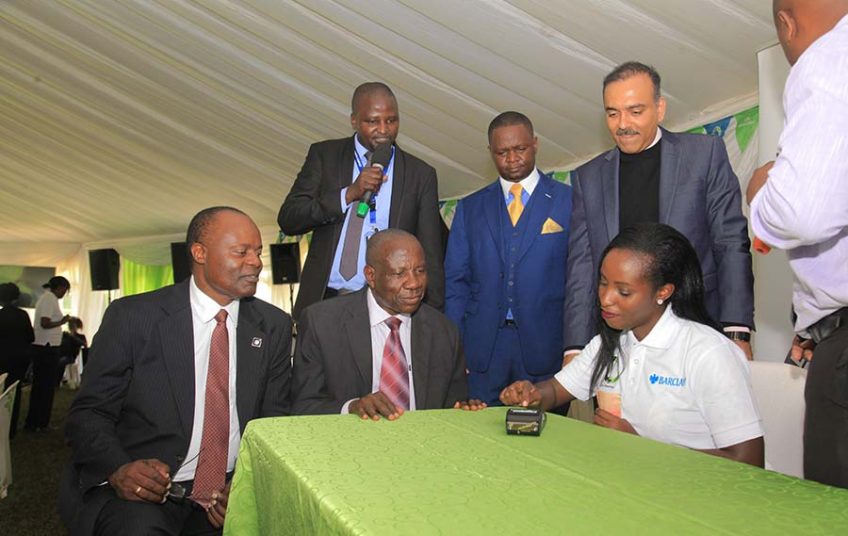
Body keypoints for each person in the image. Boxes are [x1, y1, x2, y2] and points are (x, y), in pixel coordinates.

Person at [59, 207, 292, 536]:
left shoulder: (273, 326)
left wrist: (246, 483)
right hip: (144, 491)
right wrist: (119, 468)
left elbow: (274, 421)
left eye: (257, 252)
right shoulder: (134, 317)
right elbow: (89, 412)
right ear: (199, 253)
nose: (255, 262)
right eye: (241, 252)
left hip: (229, 492)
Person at [501, 223, 764, 467]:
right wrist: (531, 394)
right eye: (603, 283)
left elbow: (748, 461)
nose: (605, 299)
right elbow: (555, 391)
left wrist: (641, 445)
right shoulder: (611, 342)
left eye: (623, 292)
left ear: (663, 292)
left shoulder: (708, 353)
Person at [564, 61, 754, 365]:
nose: (623, 124)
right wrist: (574, 347)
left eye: (635, 111)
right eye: (613, 113)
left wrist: (736, 330)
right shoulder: (589, 177)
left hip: (696, 330)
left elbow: (730, 242)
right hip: (621, 342)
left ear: (660, 109)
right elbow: (582, 268)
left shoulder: (703, 155)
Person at [746, 0, 848, 488]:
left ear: (786, 24)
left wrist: (760, 194)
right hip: (830, 330)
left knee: (831, 509)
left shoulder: (829, 57)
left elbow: (801, 212)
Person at [278, 82, 444, 320]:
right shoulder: (325, 156)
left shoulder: (420, 174)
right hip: (325, 299)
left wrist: (431, 318)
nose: (383, 129)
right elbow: (289, 218)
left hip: (388, 304)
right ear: (354, 121)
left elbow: (431, 255)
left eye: (391, 120)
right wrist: (348, 194)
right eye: (373, 121)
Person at [445, 112, 572, 405]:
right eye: (502, 152)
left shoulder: (568, 200)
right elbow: (456, 282)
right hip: (482, 351)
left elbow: (579, 280)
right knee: (478, 429)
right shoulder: (470, 208)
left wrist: (574, 349)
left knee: (544, 430)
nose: (512, 158)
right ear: (490, 151)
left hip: (546, 348)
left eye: (520, 149)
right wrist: (455, 347)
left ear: (535, 144)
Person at [292, 229, 483, 419]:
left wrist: (463, 410)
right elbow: (303, 407)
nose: (414, 283)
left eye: (420, 271)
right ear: (371, 276)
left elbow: (453, 404)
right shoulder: (322, 323)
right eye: (399, 273)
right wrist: (351, 407)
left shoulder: (443, 331)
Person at [24, 275, 70, 432]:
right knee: (46, 387)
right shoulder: (50, 298)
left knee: (40, 386)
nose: (64, 293)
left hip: (44, 346)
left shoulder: (46, 298)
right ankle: (41, 422)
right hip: (47, 347)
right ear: (60, 287)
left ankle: (35, 422)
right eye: (65, 290)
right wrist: (62, 322)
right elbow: (45, 322)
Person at [0, 282, 35, 439]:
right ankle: (11, 428)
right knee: (14, 392)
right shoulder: (23, 315)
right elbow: (31, 337)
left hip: (1, 359)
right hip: (19, 359)